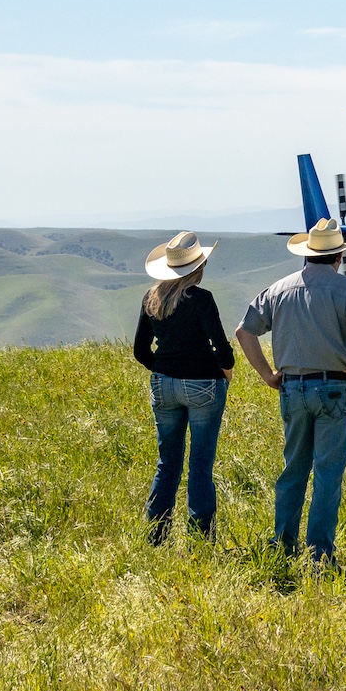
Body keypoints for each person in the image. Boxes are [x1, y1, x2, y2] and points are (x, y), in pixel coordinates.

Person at [235, 217, 346, 562]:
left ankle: (282, 548)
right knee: (327, 474)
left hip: (292, 388)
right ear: (338, 257)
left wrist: (267, 374)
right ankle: (319, 554)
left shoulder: (279, 289)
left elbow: (245, 331)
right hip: (336, 388)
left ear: (306, 255)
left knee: (293, 471)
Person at [133, 231, 235, 543]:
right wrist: (225, 373)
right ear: (197, 268)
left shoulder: (151, 298)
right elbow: (222, 347)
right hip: (203, 384)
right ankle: (201, 538)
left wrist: (164, 369)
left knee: (168, 462)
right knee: (200, 465)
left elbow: (140, 350)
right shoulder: (202, 300)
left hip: (163, 385)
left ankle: (156, 535)